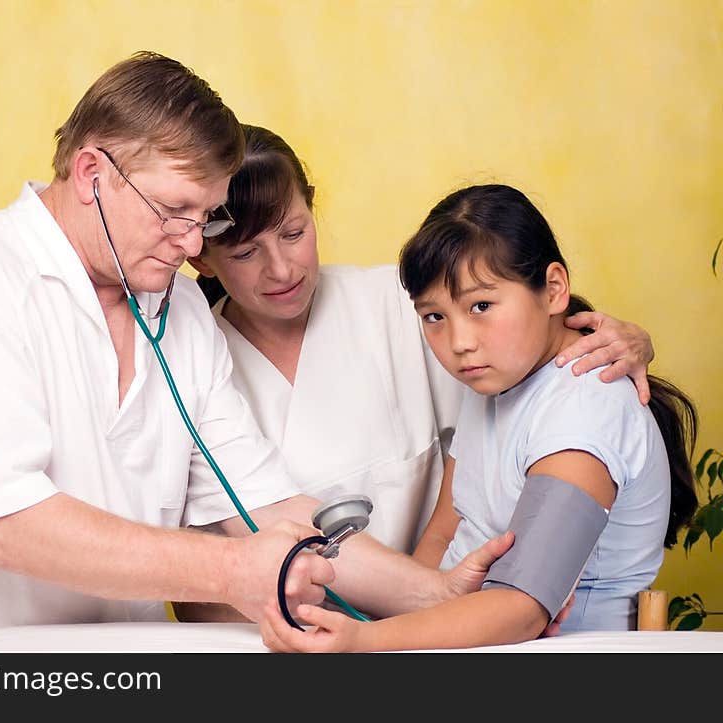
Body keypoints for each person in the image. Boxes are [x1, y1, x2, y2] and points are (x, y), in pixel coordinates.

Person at [0, 52, 522, 650]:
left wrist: (444, 602)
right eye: (175, 211)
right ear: (91, 174)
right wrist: (236, 570)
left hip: (123, 671)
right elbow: (5, 527)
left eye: (205, 217)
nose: (194, 245)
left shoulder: (181, 313)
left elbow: (268, 508)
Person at [259, 183, 698, 652]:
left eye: (481, 306)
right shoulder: (495, 383)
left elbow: (522, 606)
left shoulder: (584, 412)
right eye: (434, 316)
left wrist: (365, 642)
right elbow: (445, 531)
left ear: (553, 290)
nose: (459, 341)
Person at [188, 125, 655, 557]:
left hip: (442, 605)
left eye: (294, 233)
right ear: (202, 258)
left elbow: (537, 354)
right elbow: (201, 575)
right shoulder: (193, 361)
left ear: (312, 207)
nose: (282, 269)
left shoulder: (411, 302)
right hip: (285, 630)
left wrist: (622, 337)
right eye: (245, 252)